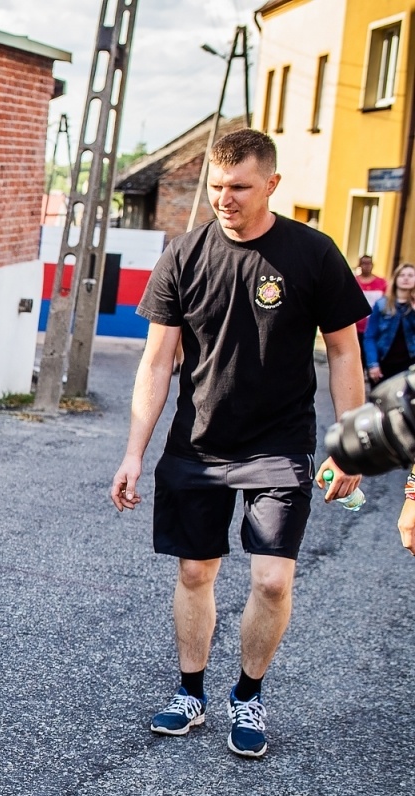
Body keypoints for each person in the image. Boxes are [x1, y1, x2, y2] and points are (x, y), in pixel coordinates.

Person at [110, 129, 369, 760]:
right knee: (196, 570)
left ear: (272, 185)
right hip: (196, 444)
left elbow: (343, 352)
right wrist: (133, 450)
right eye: (218, 187)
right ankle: (190, 690)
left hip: (279, 444)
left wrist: (351, 445)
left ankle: (247, 696)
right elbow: (157, 361)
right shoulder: (184, 254)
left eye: (240, 187)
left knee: (274, 582)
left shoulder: (313, 255)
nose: (225, 198)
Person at [361, 262, 415, 384]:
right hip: (384, 363)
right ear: (396, 279)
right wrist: (372, 364)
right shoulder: (381, 304)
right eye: (402, 275)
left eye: (410, 275)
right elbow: (370, 336)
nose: (406, 278)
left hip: (410, 366)